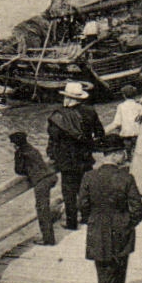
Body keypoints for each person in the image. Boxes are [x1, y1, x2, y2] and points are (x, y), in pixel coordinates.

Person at [78, 138, 142, 283]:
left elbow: (82, 204)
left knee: (104, 274)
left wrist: (91, 219)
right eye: (122, 152)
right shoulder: (126, 178)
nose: (124, 155)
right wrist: (128, 224)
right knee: (120, 269)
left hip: (98, 230)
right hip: (121, 231)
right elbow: (138, 208)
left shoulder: (89, 177)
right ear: (115, 154)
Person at [47, 82, 103, 232]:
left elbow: (53, 138)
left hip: (67, 160)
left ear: (67, 98)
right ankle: (86, 217)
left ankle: (71, 222)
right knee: (85, 189)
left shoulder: (58, 116)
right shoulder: (90, 112)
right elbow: (100, 134)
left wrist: (53, 154)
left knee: (69, 192)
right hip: (85, 157)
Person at [10, 131, 57, 246]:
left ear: (15, 144)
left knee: (42, 210)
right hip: (51, 176)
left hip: (41, 182)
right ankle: (48, 235)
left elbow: (18, 170)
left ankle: (48, 239)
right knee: (45, 207)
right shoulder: (32, 149)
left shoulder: (20, 153)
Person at [107, 84, 142, 160]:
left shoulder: (121, 106)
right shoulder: (139, 106)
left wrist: (105, 130)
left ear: (124, 95)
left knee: (128, 155)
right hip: (138, 134)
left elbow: (117, 123)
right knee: (139, 155)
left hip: (126, 136)